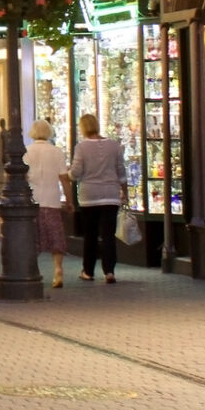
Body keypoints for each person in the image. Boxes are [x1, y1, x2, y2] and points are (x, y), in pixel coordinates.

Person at [70, 111, 127, 283]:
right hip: (110, 195)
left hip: (89, 196)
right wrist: (125, 191)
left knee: (91, 235)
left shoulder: (81, 147)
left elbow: (76, 172)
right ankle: (109, 271)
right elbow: (121, 171)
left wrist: (69, 174)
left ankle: (88, 271)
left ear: (82, 128)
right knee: (108, 234)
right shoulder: (114, 145)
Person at [26, 118, 70, 290]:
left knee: (33, 236)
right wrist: (69, 200)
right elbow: (64, 178)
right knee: (55, 234)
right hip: (52, 199)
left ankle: (32, 269)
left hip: (33, 200)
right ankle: (58, 269)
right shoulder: (56, 152)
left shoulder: (26, 152)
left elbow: (22, 177)